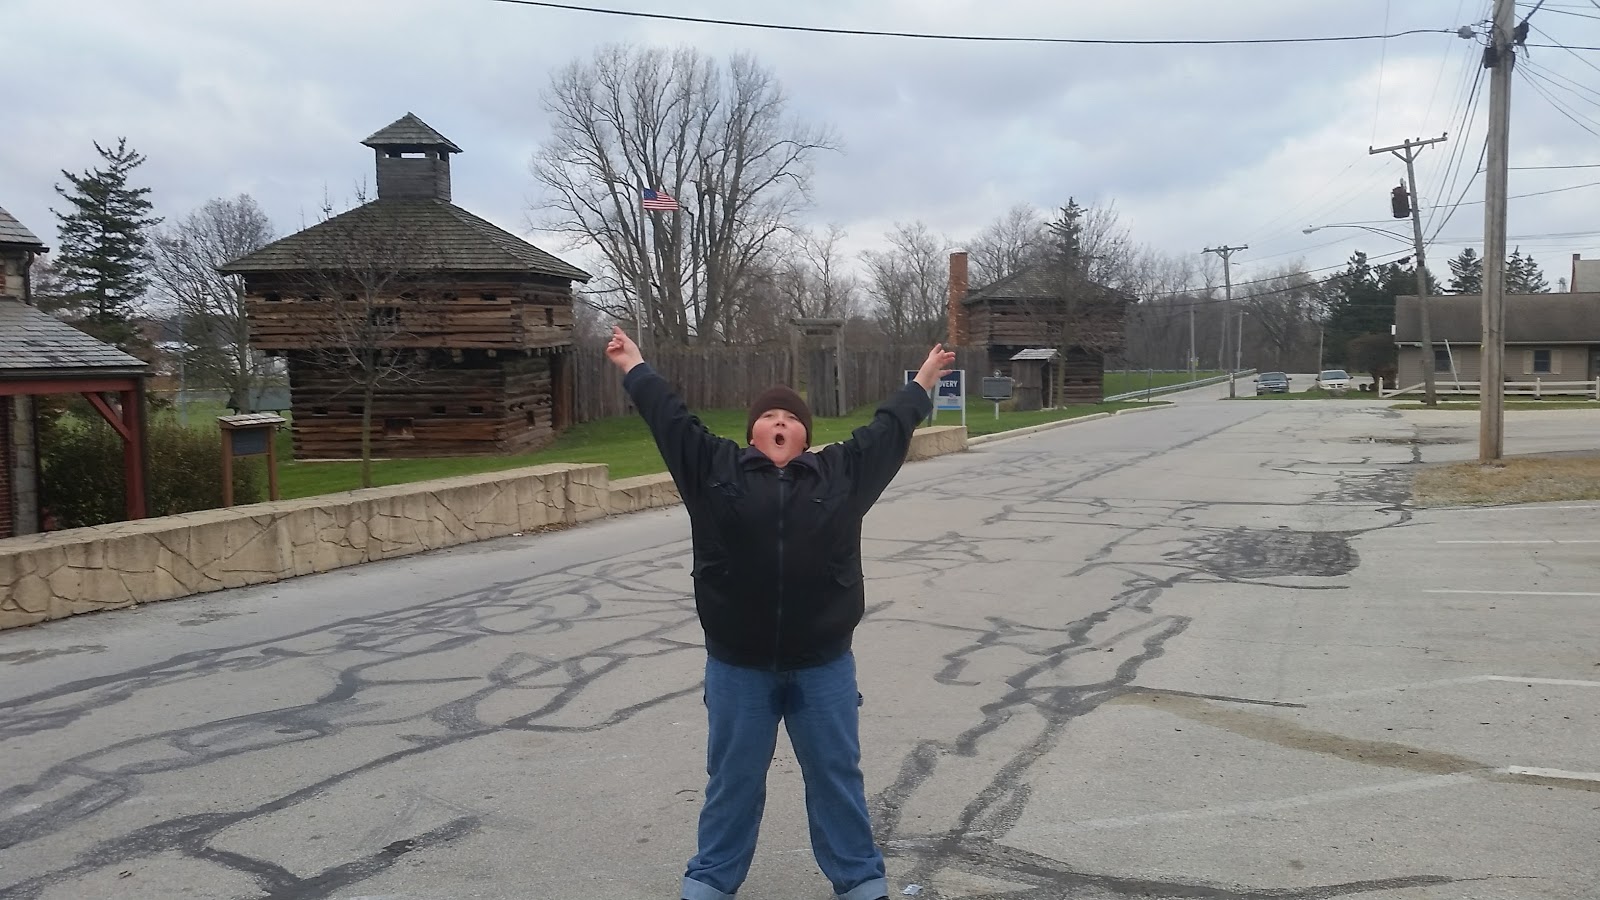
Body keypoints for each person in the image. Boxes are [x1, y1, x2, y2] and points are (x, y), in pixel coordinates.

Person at [604, 327, 955, 900]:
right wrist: (634, 365)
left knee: (836, 776)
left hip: (822, 665)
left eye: (791, 418)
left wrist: (921, 384)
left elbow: (886, 433)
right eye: (769, 416)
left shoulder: (840, 474)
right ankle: (711, 880)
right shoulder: (714, 469)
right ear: (752, 432)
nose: (780, 423)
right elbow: (671, 420)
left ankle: (859, 879)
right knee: (733, 779)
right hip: (738, 666)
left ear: (806, 435)